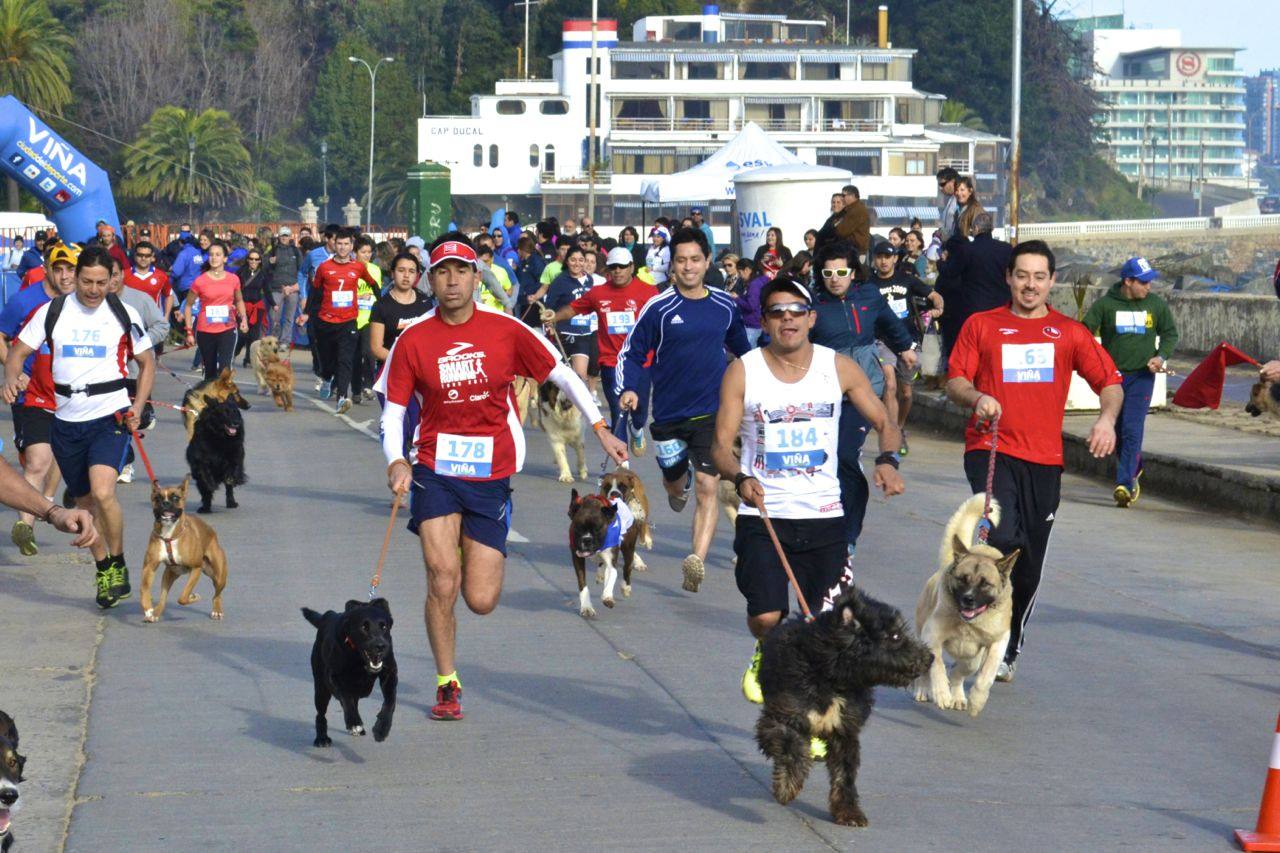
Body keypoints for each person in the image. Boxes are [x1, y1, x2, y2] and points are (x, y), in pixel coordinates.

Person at [379, 233, 627, 721]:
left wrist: (599, 427)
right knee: (441, 578)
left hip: (490, 472)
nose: (452, 281)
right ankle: (447, 683)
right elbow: (393, 410)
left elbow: (563, 375)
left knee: (481, 598)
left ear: (477, 278)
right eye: (443, 272)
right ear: (432, 280)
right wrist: (396, 459)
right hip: (434, 467)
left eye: (462, 271)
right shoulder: (414, 338)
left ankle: (474, 539)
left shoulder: (506, 329)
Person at [711, 274, 904, 707]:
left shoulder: (837, 367)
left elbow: (884, 422)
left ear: (811, 318)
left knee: (828, 624)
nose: (787, 320)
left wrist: (888, 460)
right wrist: (739, 478)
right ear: (765, 321)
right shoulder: (744, 371)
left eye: (796, 311)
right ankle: (766, 650)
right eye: (777, 313)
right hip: (764, 513)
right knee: (767, 616)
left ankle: (815, 715)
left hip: (823, 515)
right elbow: (720, 446)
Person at [946, 240, 1122, 682]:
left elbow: (1111, 382)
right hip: (990, 448)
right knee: (1001, 536)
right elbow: (956, 381)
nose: (1030, 284)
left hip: (1044, 460)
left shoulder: (1068, 332)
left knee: (1028, 563)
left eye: (1039, 276)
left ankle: (1008, 645)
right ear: (1008, 277)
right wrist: (978, 396)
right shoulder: (982, 325)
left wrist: (1106, 420)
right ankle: (972, 631)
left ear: (1052, 281)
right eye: (1022, 275)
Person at [3, 245, 156, 609]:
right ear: (75, 276)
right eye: (87, 280)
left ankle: (117, 561)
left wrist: (137, 406)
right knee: (84, 503)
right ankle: (103, 565)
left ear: (112, 281)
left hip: (110, 415)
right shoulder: (52, 311)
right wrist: (10, 378)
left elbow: (146, 363)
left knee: (104, 493)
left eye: (102, 282)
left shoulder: (123, 312)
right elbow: (17, 352)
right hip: (67, 418)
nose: (93, 289)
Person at [617, 227, 750, 594]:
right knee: (677, 490)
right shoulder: (658, 308)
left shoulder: (725, 306)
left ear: (708, 261)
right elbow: (631, 351)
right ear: (671, 266)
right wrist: (628, 387)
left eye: (695, 259)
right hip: (670, 416)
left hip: (712, 413)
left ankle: (696, 560)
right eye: (681, 261)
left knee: (710, 486)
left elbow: (746, 354)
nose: (689, 267)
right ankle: (678, 484)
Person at [809, 241, 915, 560]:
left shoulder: (868, 296)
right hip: (824, 394)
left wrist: (905, 347)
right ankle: (822, 522)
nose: (835, 278)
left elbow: (888, 323)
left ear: (852, 273)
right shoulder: (813, 304)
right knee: (824, 461)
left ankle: (849, 534)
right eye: (828, 273)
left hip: (864, 392)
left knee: (845, 455)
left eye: (841, 271)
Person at [0, 242, 79, 555]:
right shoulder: (25, 300)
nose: (63, 275)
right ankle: (27, 525)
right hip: (30, 392)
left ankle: (44, 501)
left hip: (70, 395)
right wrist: (12, 371)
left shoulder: (84, 304)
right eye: (57, 268)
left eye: (69, 268)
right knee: (36, 460)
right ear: (46, 268)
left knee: (57, 455)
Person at [1082, 257, 1179, 508]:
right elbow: (1083, 334)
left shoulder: (1156, 305)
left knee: (1132, 428)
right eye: (1144, 282)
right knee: (1117, 429)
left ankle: (1124, 483)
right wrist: (1095, 361)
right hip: (1112, 380)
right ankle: (1134, 466)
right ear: (1128, 281)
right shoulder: (1105, 306)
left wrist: (1160, 356)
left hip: (1142, 377)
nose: (1149, 287)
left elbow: (1170, 334)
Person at [543, 246, 659, 454]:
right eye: (613, 267)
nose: (617, 271)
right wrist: (555, 316)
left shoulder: (648, 292)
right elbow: (573, 308)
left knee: (639, 411)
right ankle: (621, 463)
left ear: (631, 267)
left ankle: (638, 428)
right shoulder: (598, 293)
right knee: (618, 411)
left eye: (622, 267)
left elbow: (661, 321)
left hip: (642, 361)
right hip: (611, 361)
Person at [869, 242, 943, 453]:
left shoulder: (907, 279)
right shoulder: (870, 285)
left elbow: (933, 295)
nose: (883, 261)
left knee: (907, 393)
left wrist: (938, 305)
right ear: (874, 259)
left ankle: (900, 427)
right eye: (879, 256)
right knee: (889, 384)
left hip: (908, 341)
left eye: (887, 256)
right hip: (882, 340)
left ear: (894, 259)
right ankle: (892, 432)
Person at [298, 227, 379, 415]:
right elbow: (315, 293)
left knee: (345, 359)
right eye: (339, 244)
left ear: (351, 246)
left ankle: (342, 397)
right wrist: (307, 313)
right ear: (334, 245)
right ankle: (326, 378)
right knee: (328, 360)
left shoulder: (358, 267)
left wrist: (380, 307)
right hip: (326, 321)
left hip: (349, 320)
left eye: (346, 244)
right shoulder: (324, 268)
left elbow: (373, 286)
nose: (342, 248)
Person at [937, 212, 1013, 363]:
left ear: (976, 228)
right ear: (991, 229)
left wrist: (941, 262)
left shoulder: (967, 250)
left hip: (973, 308)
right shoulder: (1006, 249)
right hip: (1002, 307)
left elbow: (950, 272)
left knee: (977, 348)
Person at [184, 240, 248, 380]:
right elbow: (188, 306)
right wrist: (189, 331)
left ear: (225, 258)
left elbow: (239, 300)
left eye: (218, 254)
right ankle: (210, 400)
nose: (214, 257)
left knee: (225, 369)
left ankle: (225, 401)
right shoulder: (200, 281)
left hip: (227, 329)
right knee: (210, 372)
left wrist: (244, 319)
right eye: (211, 254)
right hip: (205, 330)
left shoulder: (233, 279)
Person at [542, 245, 596, 382]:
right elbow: (549, 307)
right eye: (573, 260)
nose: (577, 264)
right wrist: (550, 326)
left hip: (583, 333)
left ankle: (578, 402)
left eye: (581, 260)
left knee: (580, 377)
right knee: (561, 378)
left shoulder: (589, 280)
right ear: (567, 261)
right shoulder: (559, 281)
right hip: (563, 333)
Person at [234, 248, 273, 368]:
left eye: (256, 259)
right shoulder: (240, 272)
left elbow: (267, 290)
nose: (254, 261)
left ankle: (249, 359)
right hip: (243, 306)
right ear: (247, 260)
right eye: (251, 259)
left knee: (254, 336)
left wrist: (274, 304)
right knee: (242, 334)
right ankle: (233, 354)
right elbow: (235, 289)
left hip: (257, 307)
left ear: (260, 261)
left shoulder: (263, 273)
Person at [267, 226, 303, 344]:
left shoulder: (296, 251)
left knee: (289, 318)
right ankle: (274, 340)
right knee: (274, 318)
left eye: (286, 235)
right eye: (282, 235)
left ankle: (285, 342)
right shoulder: (273, 250)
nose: (284, 238)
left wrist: (293, 287)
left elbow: (301, 270)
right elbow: (263, 267)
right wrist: (269, 262)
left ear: (290, 237)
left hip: (292, 289)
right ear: (279, 236)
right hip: (277, 288)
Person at [123, 241, 173, 319]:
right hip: (131, 322)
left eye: (147, 256)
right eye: (140, 255)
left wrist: (166, 316)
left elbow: (169, 295)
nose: (143, 258)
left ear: (152, 257)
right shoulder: (124, 275)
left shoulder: (161, 275)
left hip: (154, 322)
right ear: (135, 255)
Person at [936, 167, 961, 242]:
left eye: (943, 184)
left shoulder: (961, 200)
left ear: (952, 181)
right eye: (939, 185)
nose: (940, 188)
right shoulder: (952, 199)